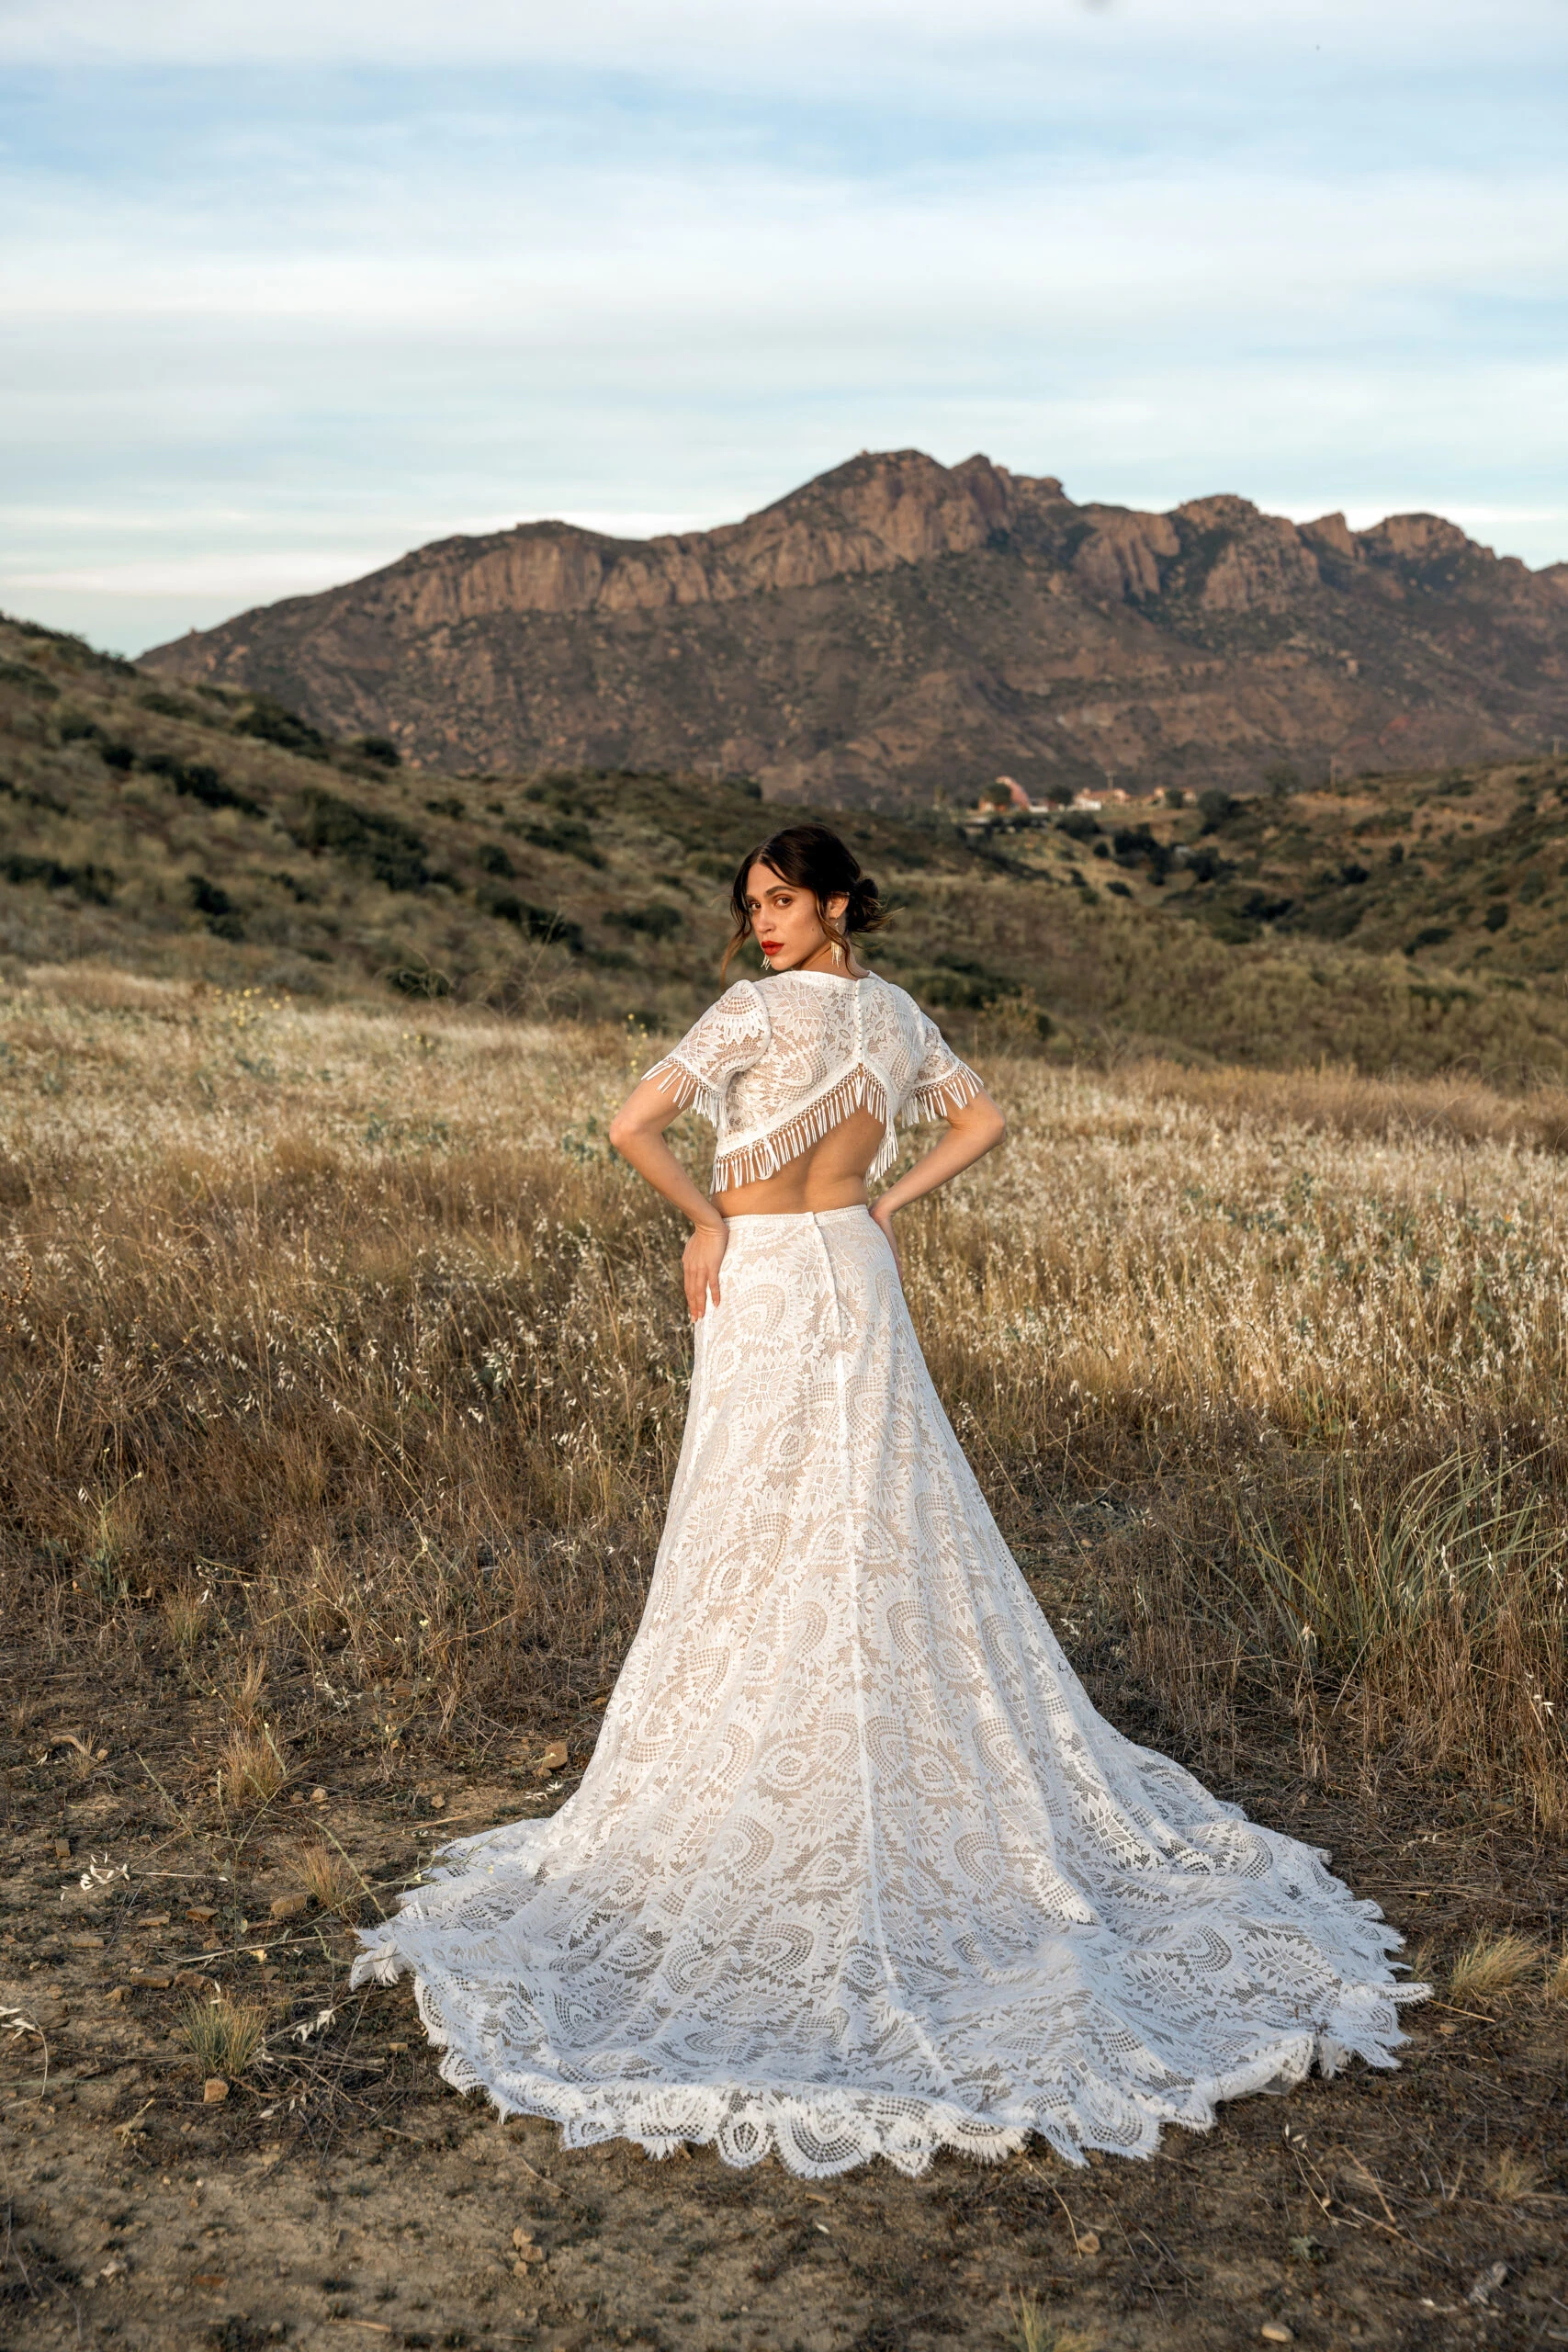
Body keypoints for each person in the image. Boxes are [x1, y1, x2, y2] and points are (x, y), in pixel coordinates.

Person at [354, 821, 1426, 2179]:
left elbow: (630, 1125)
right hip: (852, 1267)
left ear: (838, 901)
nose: (763, 923)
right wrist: (888, 1206)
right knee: (871, 1512)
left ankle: (780, 1738)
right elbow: (984, 1119)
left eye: (784, 900)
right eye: (751, 903)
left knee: (757, 1522)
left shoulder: (746, 1017)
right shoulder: (902, 1018)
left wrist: (701, 1221)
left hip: (762, 1276)